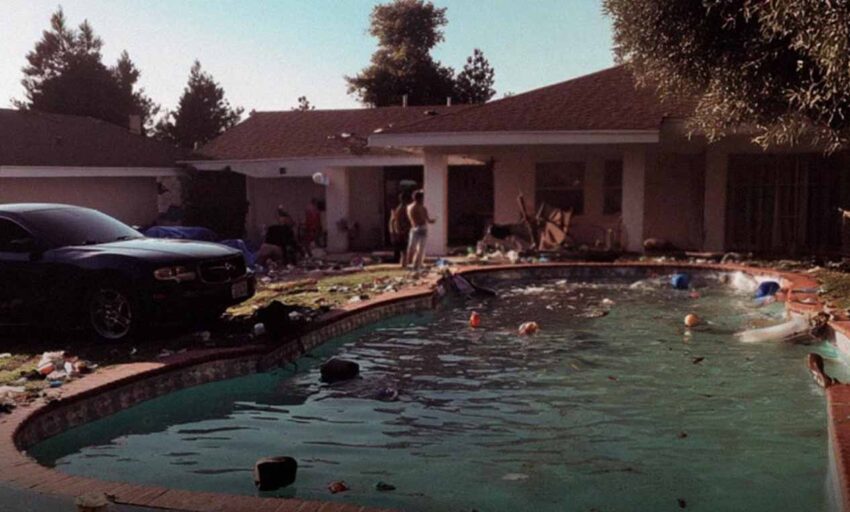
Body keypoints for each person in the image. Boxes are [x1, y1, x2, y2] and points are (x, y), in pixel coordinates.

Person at [406, 189, 435, 270]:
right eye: (422, 198)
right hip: (416, 228)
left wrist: (431, 221)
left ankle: (417, 265)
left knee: (420, 249)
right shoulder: (412, 207)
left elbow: (427, 219)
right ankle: (410, 264)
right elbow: (417, 218)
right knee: (412, 248)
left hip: (422, 228)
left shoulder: (422, 208)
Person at [388, 191, 412, 266]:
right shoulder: (402, 209)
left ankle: (404, 262)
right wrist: (400, 231)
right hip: (402, 231)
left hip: (402, 230)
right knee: (404, 248)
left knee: (403, 248)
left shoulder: (402, 208)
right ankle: (404, 263)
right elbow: (398, 221)